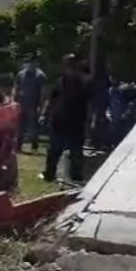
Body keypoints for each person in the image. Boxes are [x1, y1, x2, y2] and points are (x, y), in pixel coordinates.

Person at [40, 54, 92, 183]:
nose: (70, 69)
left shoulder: (84, 82)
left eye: (72, 66)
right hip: (59, 121)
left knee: (76, 152)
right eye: (67, 66)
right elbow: (51, 99)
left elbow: (90, 103)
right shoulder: (60, 82)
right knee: (54, 150)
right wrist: (43, 114)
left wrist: (91, 119)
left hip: (76, 122)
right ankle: (49, 174)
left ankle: (76, 177)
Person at [12, 57, 47, 152]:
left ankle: (34, 146)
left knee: (33, 126)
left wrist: (41, 106)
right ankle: (18, 146)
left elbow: (43, 92)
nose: (30, 64)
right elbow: (16, 87)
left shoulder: (40, 75)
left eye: (32, 62)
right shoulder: (21, 74)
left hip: (33, 104)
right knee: (19, 126)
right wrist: (14, 100)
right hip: (21, 103)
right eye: (29, 62)